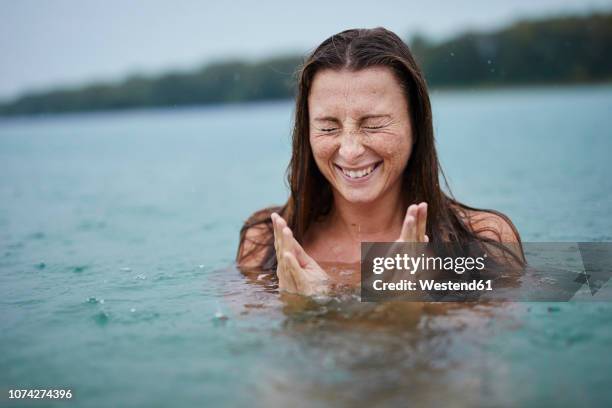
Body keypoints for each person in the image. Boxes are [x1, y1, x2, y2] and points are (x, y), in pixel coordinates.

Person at [236, 27, 525, 296]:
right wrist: (301, 305)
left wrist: (408, 303)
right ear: (306, 134)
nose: (349, 151)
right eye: (327, 127)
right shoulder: (263, 243)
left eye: (373, 125)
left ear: (416, 126)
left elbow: (493, 348)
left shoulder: (486, 240)